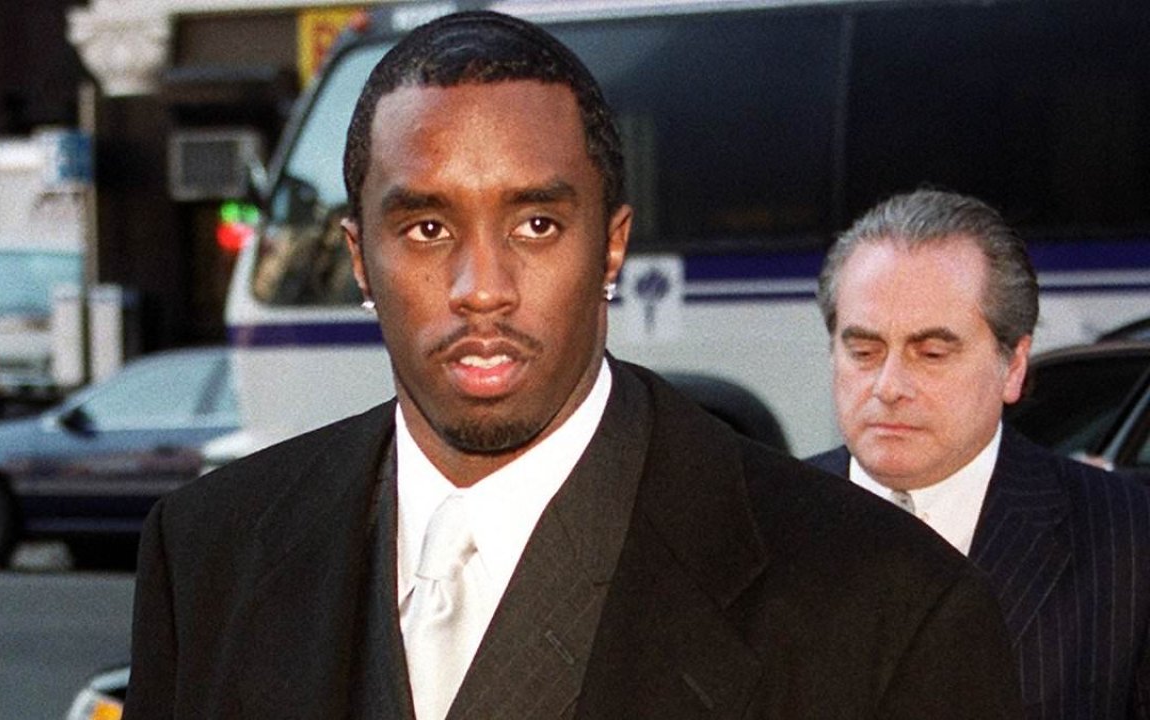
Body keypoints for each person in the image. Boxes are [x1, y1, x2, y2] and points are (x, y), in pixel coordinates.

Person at [124, 12, 1023, 719]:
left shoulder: (888, 606)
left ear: (611, 246)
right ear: (361, 258)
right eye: (428, 228)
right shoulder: (206, 554)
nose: (482, 288)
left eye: (536, 224)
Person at [807, 188, 1150, 719]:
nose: (888, 386)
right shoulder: (754, 524)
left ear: (1014, 366)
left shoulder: (1126, 541)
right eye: (864, 351)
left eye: (931, 353)